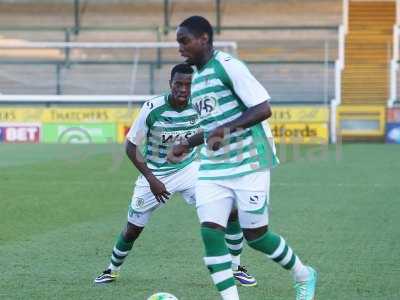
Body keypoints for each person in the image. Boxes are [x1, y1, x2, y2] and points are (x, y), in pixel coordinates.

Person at [170, 16, 317, 300]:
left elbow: (262, 109)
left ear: (203, 39)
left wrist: (223, 130)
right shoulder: (197, 78)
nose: (180, 48)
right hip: (214, 168)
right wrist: (187, 143)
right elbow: (212, 124)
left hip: (249, 163)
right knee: (211, 233)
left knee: (257, 237)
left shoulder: (229, 67)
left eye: (183, 41)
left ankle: (303, 273)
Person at [94, 63, 256, 286]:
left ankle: (236, 267)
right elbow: (131, 147)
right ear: (170, 84)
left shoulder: (202, 105)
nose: (183, 89)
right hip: (156, 174)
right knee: (132, 230)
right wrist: (152, 180)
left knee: (232, 211)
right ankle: (111, 270)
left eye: (188, 85)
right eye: (178, 84)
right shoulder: (152, 108)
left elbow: (211, 131)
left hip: (190, 170)